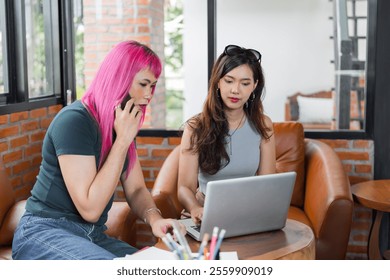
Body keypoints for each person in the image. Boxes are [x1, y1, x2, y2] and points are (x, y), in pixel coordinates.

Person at [12, 41, 185, 260]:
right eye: (143, 84)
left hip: (91, 235)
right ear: (119, 79)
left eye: (152, 86)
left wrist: (155, 219)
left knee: (162, 267)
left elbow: (137, 190)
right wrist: (122, 141)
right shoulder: (74, 122)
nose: (149, 94)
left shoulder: (119, 123)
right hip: (45, 231)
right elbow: (90, 210)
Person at [177, 44, 276, 225]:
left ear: (254, 86)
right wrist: (195, 208)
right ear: (218, 82)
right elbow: (184, 188)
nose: (235, 90)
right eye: (229, 81)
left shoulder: (264, 125)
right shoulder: (195, 127)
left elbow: (266, 184)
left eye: (245, 83)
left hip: (248, 212)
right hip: (207, 212)